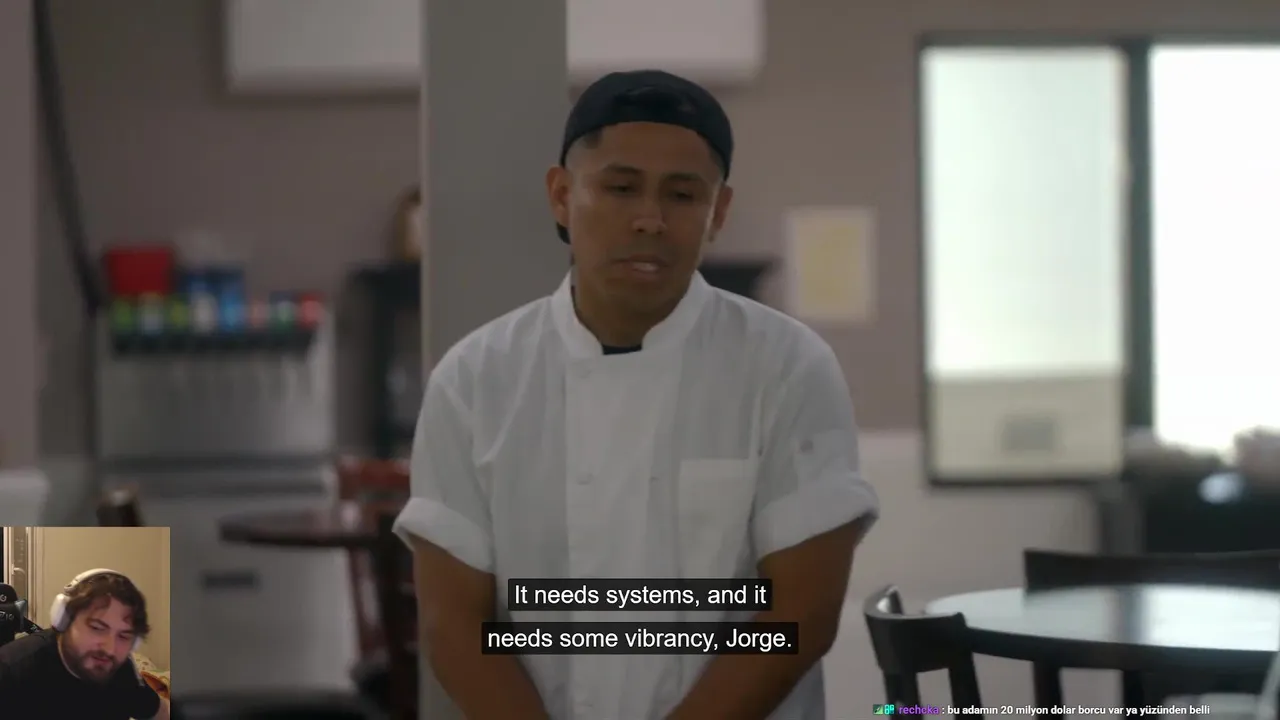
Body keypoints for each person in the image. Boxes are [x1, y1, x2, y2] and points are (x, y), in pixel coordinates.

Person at [394, 69, 881, 719]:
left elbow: (800, 615)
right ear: (562, 195)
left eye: (682, 195)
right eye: (620, 188)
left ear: (718, 213)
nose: (650, 219)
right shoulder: (475, 381)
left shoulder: (787, 367)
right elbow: (454, 624)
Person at [0, 569, 168, 720]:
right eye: (97, 628)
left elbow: (160, 713)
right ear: (65, 620)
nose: (110, 649)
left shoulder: (121, 669)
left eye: (124, 636)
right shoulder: (10, 672)